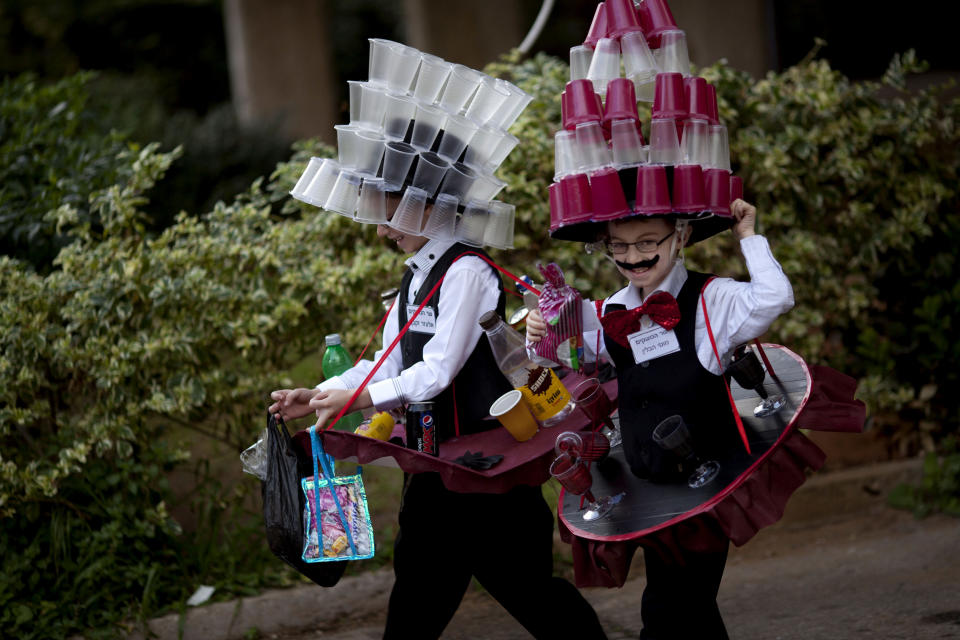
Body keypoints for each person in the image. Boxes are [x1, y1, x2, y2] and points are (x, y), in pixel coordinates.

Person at [272, 41, 608, 640]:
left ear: (429, 202)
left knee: (527, 588)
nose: (378, 227)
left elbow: (436, 370)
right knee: (419, 594)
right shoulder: (418, 273)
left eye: (389, 207)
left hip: (491, 462)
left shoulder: (468, 272)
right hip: (433, 462)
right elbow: (388, 359)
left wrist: (363, 402)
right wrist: (323, 393)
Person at [527, 199, 793, 639]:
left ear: (682, 236)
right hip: (649, 487)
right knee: (690, 613)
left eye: (648, 242)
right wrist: (544, 328)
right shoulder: (611, 308)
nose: (634, 257)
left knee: (669, 610)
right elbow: (573, 354)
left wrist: (748, 236)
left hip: (707, 482)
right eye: (620, 247)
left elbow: (776, 297)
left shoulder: (713, 299)